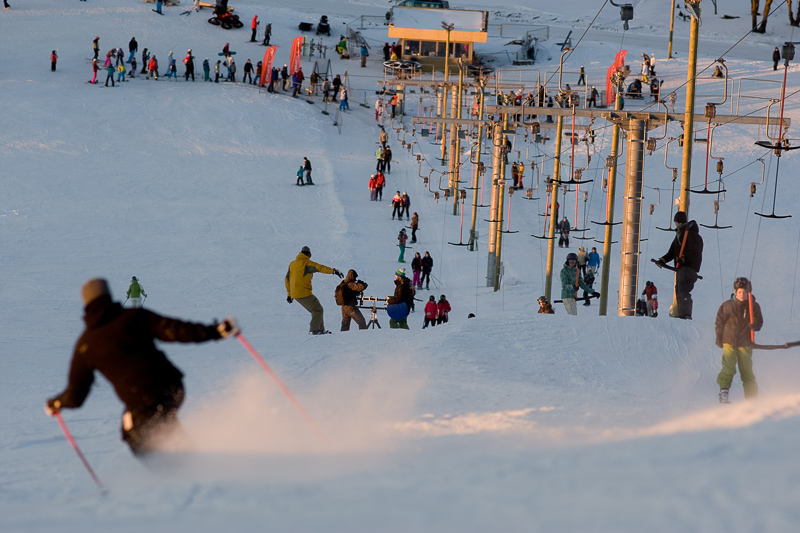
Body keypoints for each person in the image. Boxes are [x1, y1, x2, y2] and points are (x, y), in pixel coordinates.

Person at [44, 278, 239, 457]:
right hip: (172, 386)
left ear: (86, 304)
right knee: (163, 422)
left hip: (143, 401)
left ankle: (179, 473)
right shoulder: (133, 316)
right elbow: (175, 330)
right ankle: (193, 463)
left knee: (135, 435)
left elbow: (76, 396)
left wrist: (57, 403)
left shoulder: (86, 344)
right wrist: (216, 331)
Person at [715, 277, 763, 403]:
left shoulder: (753, 306)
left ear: (748, 292)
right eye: (739, 292)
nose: (742, 295)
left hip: (745, 342)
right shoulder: (727, 305)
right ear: (735, 292)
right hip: (729, 340)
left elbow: (759, 321)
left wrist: (755, 325)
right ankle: (724, 392)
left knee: (746, 370)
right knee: (728, 367)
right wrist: (719, 338)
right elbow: (719, 322)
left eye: (744, 292)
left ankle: (752, 399)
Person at [654, 210, 703, 319]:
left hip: (688, 268)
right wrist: (663, 260)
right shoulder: (680, 234)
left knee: (683, 290)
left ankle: (685, 315)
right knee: (680, 290)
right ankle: (682, 314)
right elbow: (672, 252)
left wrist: (684, 259)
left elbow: (695, 251)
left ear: (676, 221)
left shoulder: (690, 234)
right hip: (682, 268)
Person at [285, 246, 343, 335]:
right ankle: (315, 330)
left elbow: (287, 279)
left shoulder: (292, 264)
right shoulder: (306, 263)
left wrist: (289, 294)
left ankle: (320, 330)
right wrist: (333, 271)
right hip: (303, 292)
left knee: (317, 309)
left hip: (295, 294)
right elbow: (319, 267)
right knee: (317, 309)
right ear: (309, 255)